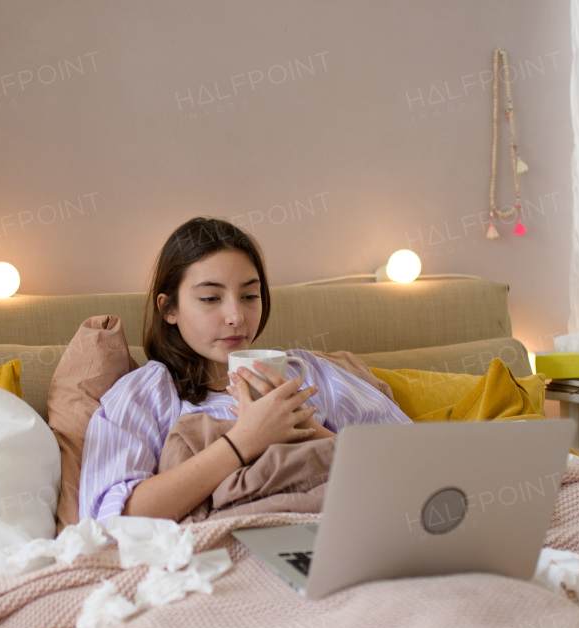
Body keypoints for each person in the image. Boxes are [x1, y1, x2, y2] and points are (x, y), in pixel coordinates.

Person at [78, 217, 411, 524]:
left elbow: (411, 464)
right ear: (169, 309)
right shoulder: (145, 393)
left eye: (250, 295)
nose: (236, 316)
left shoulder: (311, 373)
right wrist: (243, 441)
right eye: (210, 298)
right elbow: (113, 517)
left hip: (332, 539)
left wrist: (308, 428)